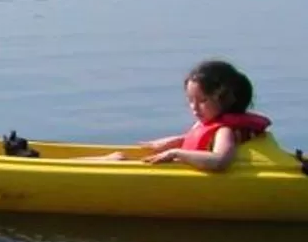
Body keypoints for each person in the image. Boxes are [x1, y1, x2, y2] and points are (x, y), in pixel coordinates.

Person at [101, 59, 271, 171]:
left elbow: (219, 161)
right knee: (118, 157)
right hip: (175, 167)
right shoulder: (212, 123)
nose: (194, 107)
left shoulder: (224, 131)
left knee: (118, 160)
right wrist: (176, 141)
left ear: (225, 98)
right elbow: (203, 142)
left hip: (178, 170)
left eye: (202, 101)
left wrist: (176, 153)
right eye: (191, 100)